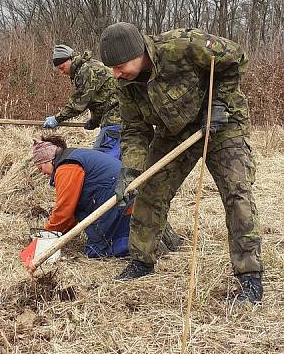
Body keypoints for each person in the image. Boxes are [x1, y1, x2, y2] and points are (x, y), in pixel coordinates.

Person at [99, 22, 264, 304]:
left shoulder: (181, 45)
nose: (116, 74)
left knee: (237, 194)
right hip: (174, 132)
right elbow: (135, 130)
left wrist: (219, 103)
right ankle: (142, 260)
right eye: (111, 68)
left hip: (223, 125)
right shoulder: (125, 85)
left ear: (139, 52)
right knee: (149, 191)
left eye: (120, 65)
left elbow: (235, 56)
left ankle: (249, 276)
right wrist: (130, 170)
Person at [31, 135, 132, 258]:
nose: (43, 173)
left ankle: (134, 245)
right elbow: (73, 211)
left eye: (40, 167)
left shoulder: (67, 167)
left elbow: (65, 209)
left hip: (117, 197)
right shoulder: (74, 157)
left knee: (95, 250)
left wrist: (46, 235)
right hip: (125, 198)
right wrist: (59, 234)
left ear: (48, 159)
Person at [42, 44, 122, 159]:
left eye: (62, 67)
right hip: (113, 117)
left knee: (102, 160)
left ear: (70, 59)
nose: (61, 72)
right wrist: (94, 121)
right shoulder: (85, 68)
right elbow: (99, 100)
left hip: (116, 119)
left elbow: (78, 103)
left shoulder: (86, 70)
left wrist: (57, 118)